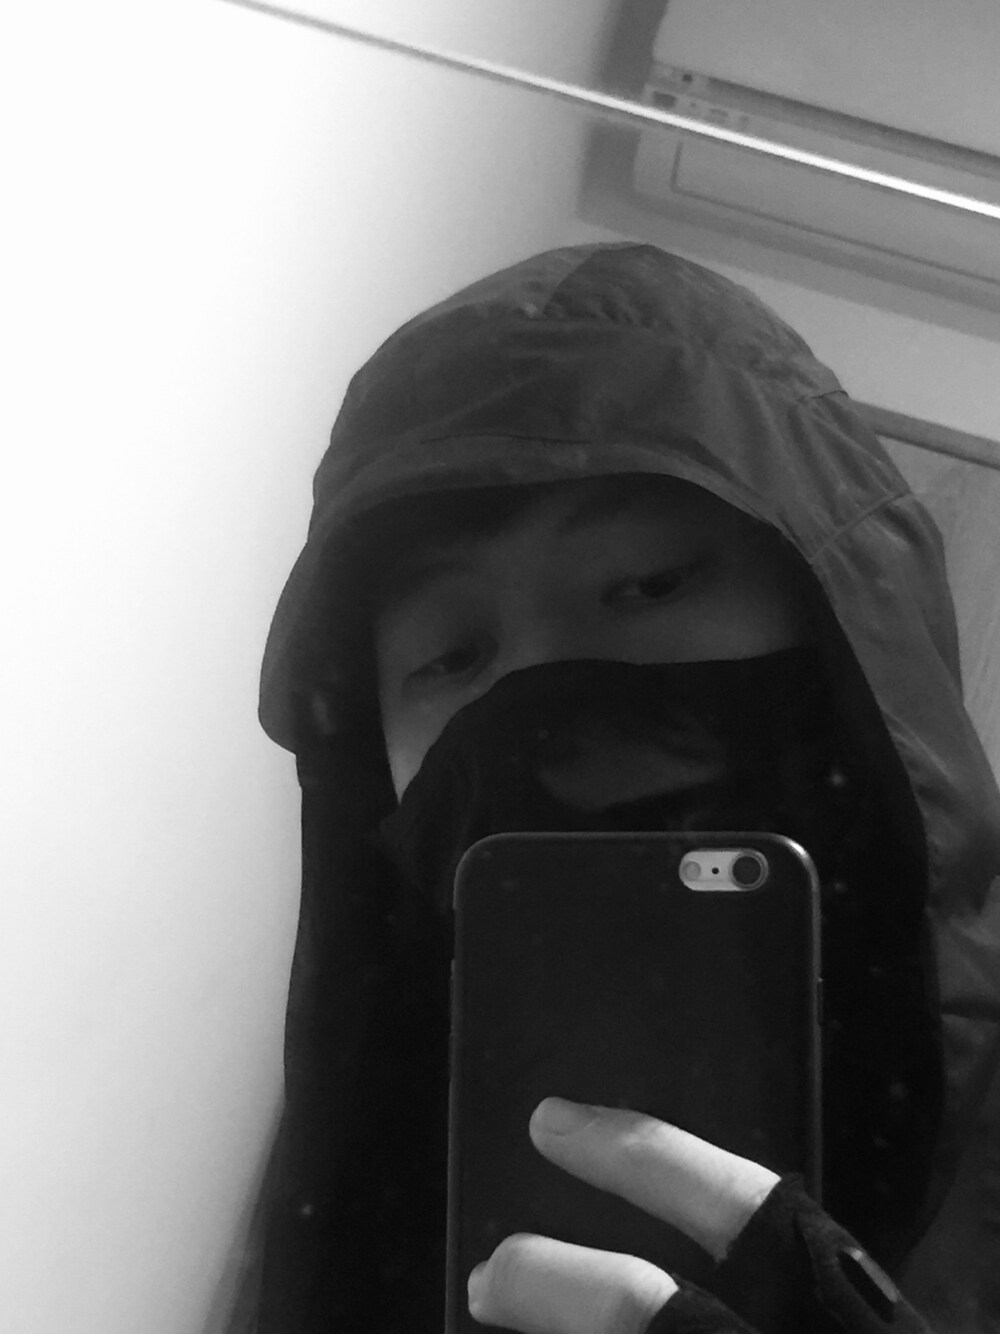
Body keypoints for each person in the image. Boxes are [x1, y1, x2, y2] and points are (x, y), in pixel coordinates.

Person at [246, 242, 1000, 1332]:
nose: (542, 703)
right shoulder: (349, 1193)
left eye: (650, 583)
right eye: (450, 655)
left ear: (843, 624)